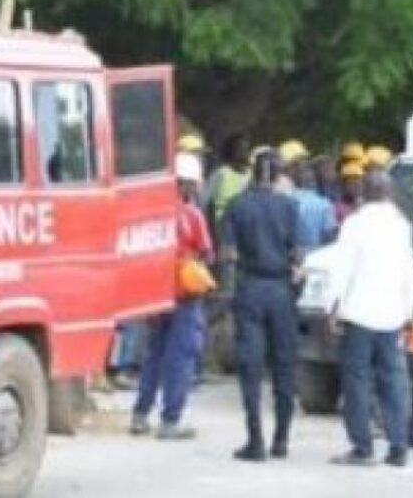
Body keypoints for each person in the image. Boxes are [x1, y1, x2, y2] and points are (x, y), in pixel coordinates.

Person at [325, 168, 413, 467]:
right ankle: (398, 446)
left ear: (363, 193)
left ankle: (362, 447)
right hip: (392, 315)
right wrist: (410, 310)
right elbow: (409, 270)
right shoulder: (401, 224)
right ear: (390, 192)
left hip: (359, 314)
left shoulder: (355, 224)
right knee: (394, 382)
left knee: (356, 382)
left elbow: (342, 268)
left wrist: (332, 306)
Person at [223, 146, 300, 462]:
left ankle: (255, 438)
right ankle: (281, 439)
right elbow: (297, 255)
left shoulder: (237, 205)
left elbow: (227, 254)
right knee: (284, 364)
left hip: (251, 287)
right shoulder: (289, 206)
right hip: (282, 290)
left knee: (250, 366)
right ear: (279, 174)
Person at [132, 152, 214, 440]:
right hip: (185, 295)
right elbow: (207, 252)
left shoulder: (151, 212)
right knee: (180, 356)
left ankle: (140, 414)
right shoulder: (191, 214)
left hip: (156, 293)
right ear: (186, 184)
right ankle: (171, 420)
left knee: (154, 353)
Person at [291, 162, 338, 256]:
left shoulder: (286, 201)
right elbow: (330, 237)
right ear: (314, 180)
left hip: (293, 259)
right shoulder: (324, 204)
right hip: (318, 258)